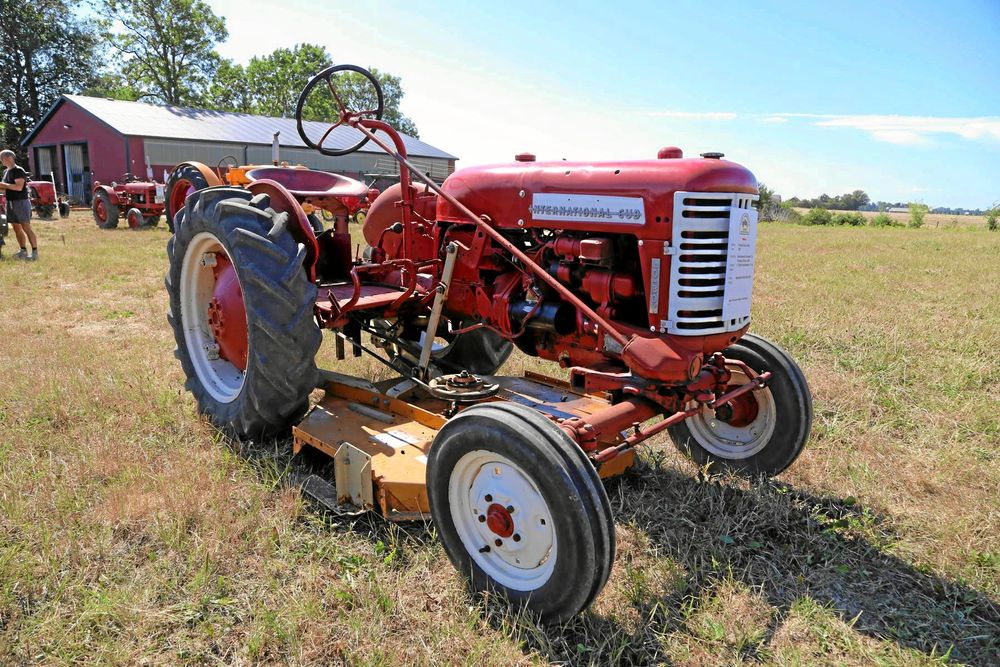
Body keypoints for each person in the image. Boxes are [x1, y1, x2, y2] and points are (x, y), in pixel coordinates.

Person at [0, 149, 37, 260]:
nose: (1, 161)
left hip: (21, 202)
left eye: (2, 158)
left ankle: (35, 252)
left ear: (10, 158)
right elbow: (4, 189)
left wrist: (2, 184)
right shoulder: (6, 172)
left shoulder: (19, 171)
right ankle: (23, 250)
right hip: (10, 202)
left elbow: (18, 187)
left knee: (26, 227)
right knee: (16, 228)